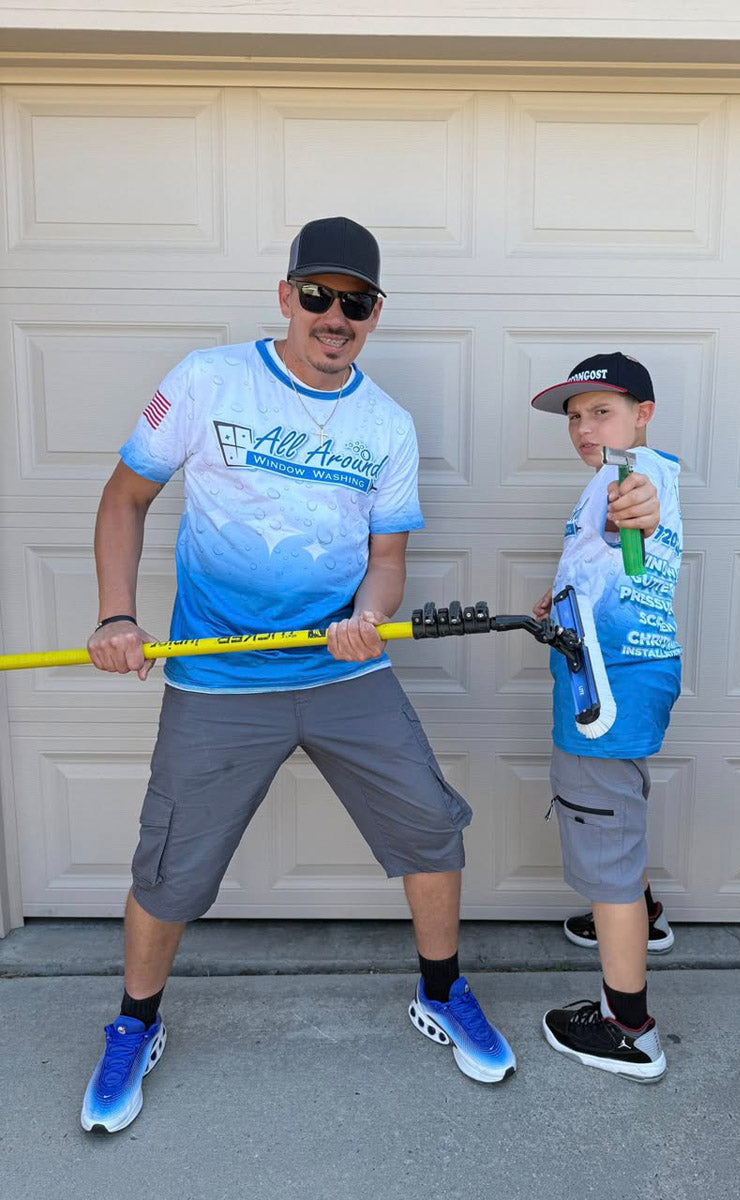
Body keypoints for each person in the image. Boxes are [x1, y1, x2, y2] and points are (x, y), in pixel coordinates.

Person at [80, 216, 515, 1135]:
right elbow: (124, 499)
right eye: (317, 295)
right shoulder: (207, 380)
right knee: (171, 867)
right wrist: (117, 616)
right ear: (285, 296)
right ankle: (135, 1024)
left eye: (355, 302)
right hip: (217, 677)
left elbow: (387, 559)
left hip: (342, 675)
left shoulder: (385, 424)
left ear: (375, 313)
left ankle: (442, 991)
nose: (334, 316)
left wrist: (369, 616)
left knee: (431, 825)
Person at [530, 352, 682, 1082]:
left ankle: (628, 1030)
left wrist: (634, 508)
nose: (584, 428)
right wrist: (559, 598)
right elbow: (611, 564)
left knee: (604, 829)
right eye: (575, 417)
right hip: (634, 674)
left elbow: (636, 512)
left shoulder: (630, 476)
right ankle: (641, 918)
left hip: (606, 688)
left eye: (602, 411)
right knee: (619, 808)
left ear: (642, 415)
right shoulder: (632, 472)